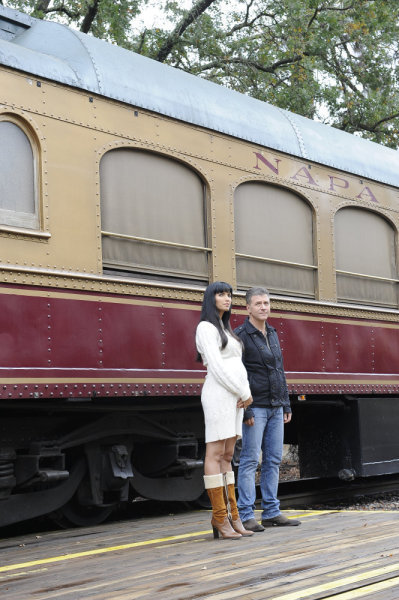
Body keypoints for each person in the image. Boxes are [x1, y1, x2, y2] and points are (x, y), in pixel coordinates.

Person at [235, 287, 301, 531]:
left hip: (275, 406)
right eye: (259, 303)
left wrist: (285, 402)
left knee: (273, 460)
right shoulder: (240, 335)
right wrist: (247, 411)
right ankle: (246, 514)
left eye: (267, 303)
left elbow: (279, 371)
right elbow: (238, 375)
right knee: (250, 460)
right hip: (256, 407)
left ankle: (272, 512)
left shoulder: (272, 332)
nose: (264, 307)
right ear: (248, 308)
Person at [196, 281, 254, 539]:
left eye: (229, 295)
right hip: (220, 395)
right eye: (221, 294)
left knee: (228, 454)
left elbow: (237, 366)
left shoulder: (227, 329)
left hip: (236, 398)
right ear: (211, 298)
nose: (227, 298)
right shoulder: (206, 328)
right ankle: (220, 517)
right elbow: (217, 368)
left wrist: (245, 392)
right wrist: (243, 393)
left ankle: (233, 516)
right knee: (215, 451)